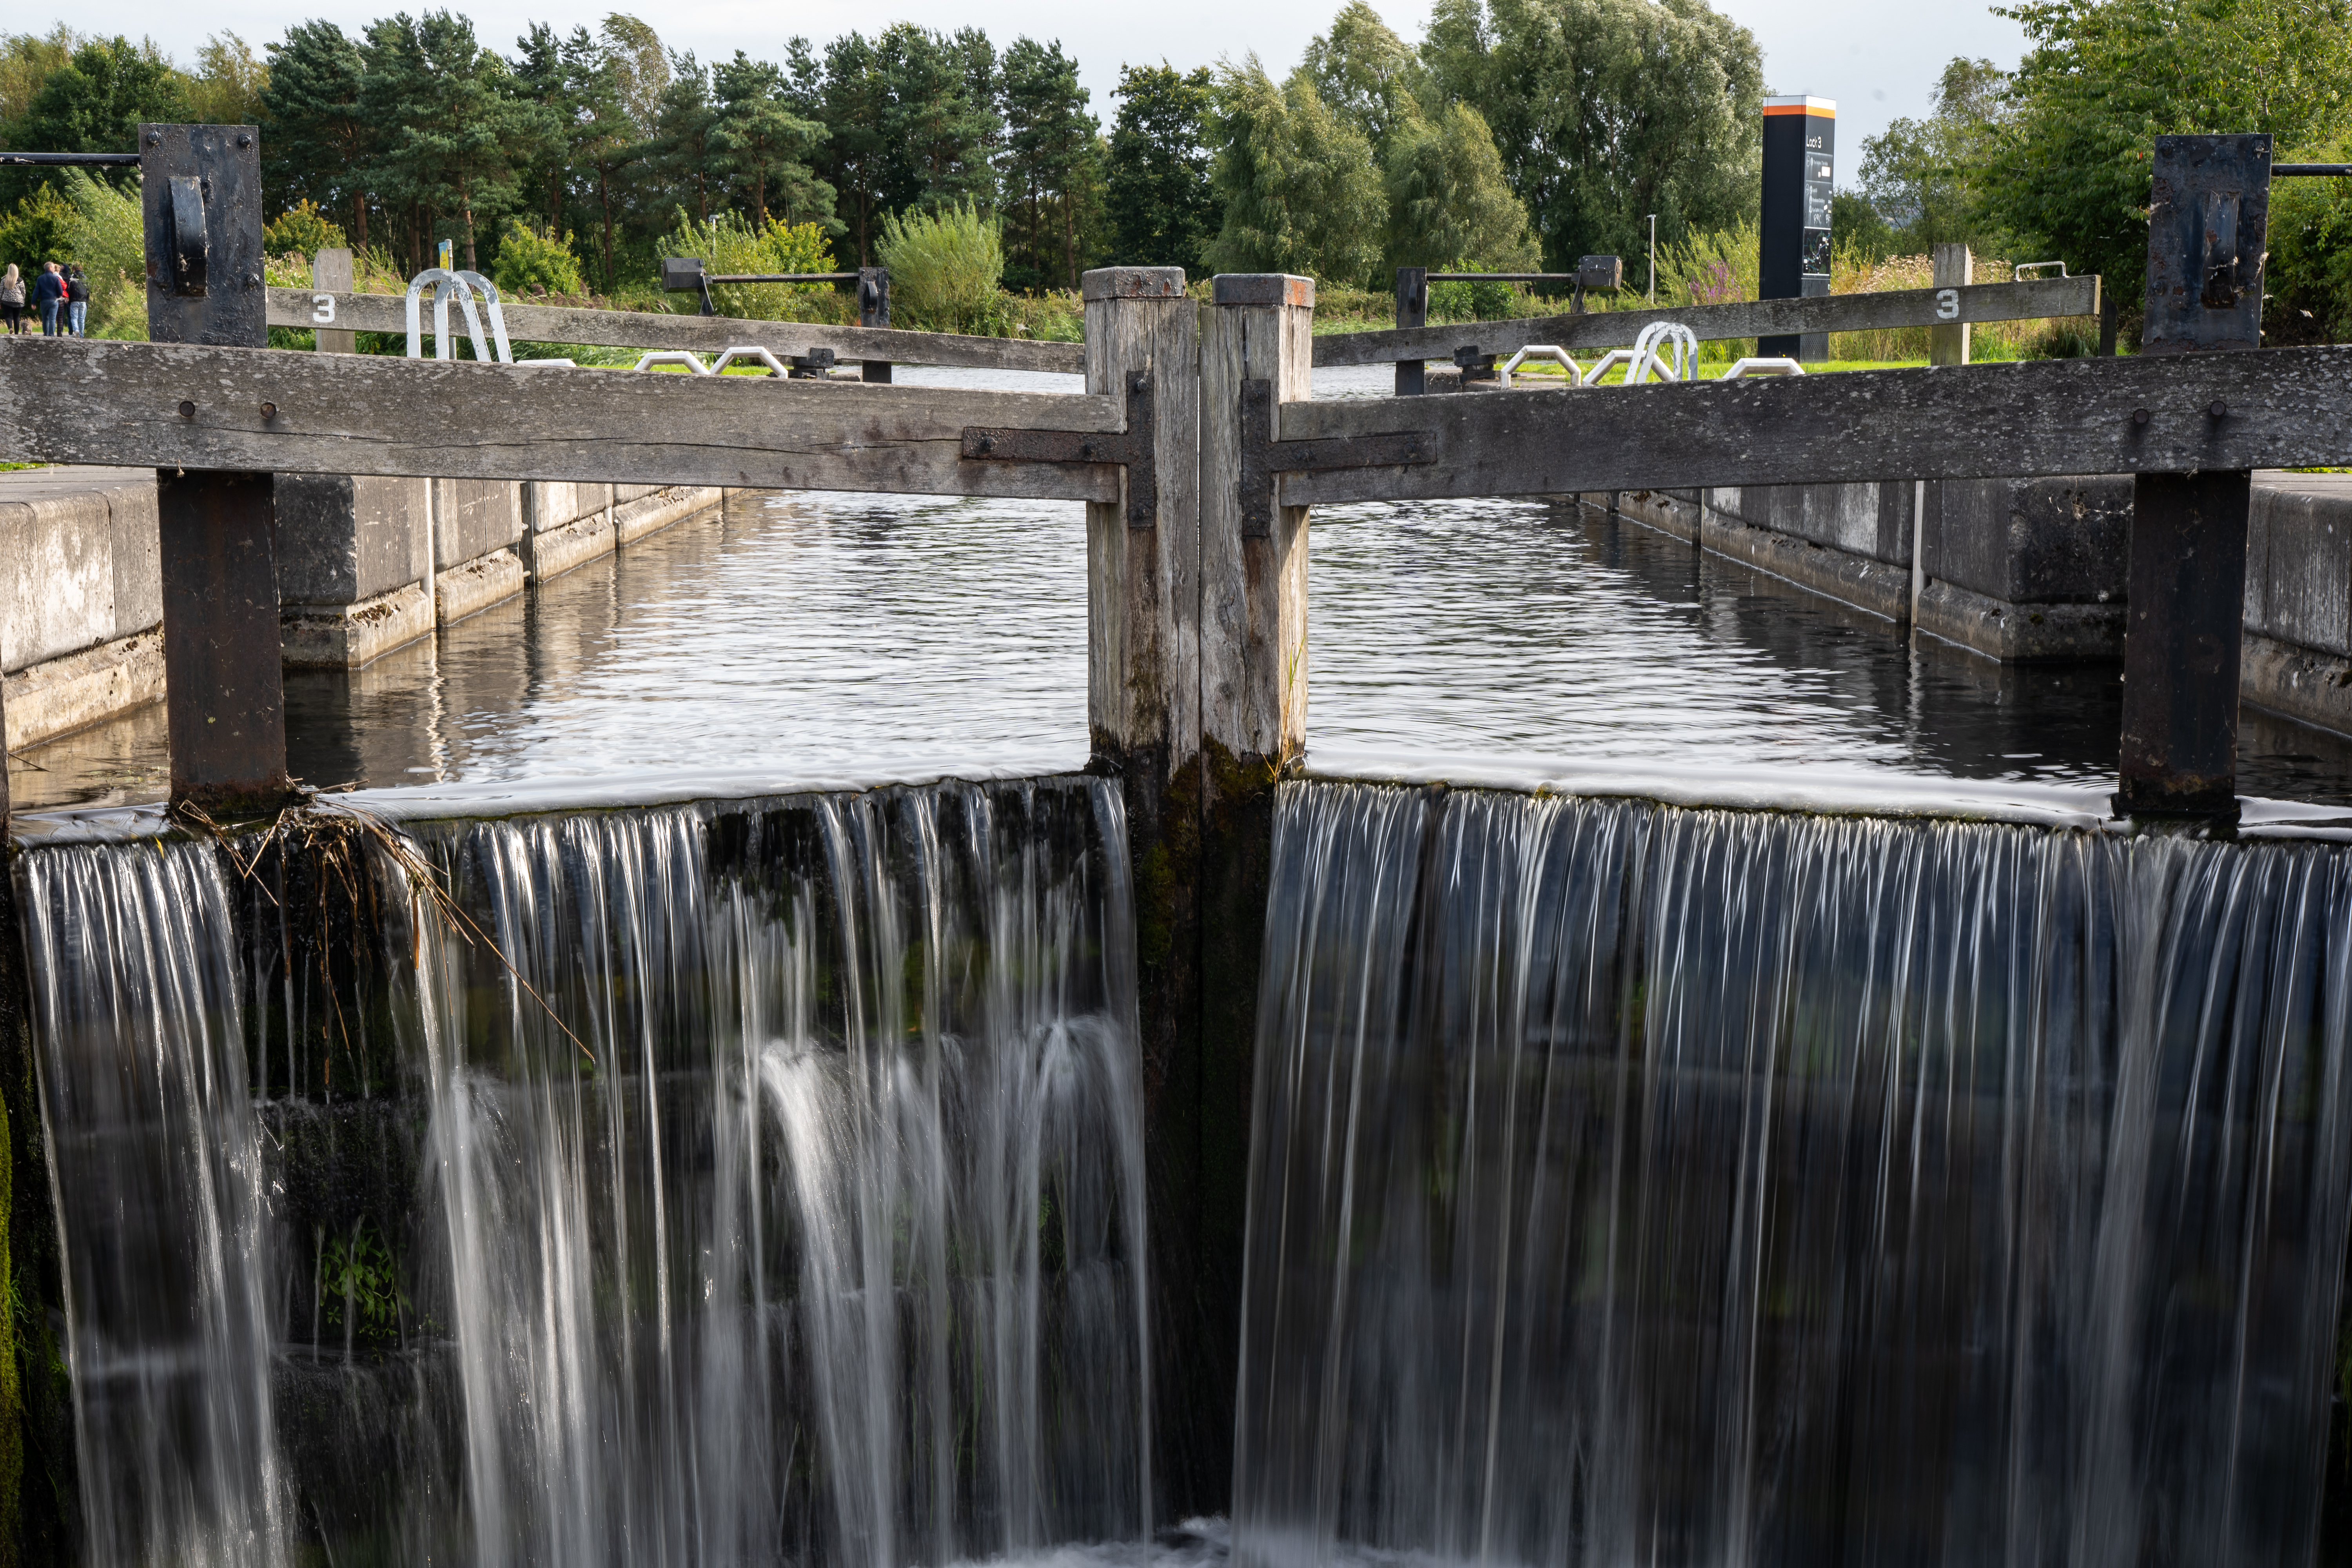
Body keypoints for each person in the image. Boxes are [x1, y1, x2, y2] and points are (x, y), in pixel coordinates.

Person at [32, 261, 63, 336]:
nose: (54, 269)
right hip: (54, 301)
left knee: (45, 319)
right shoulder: (56, 279)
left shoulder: (40, 279)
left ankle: (46, 334)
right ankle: (51, 335)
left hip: (44, 301)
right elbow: (60, 292)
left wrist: (33, 302)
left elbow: (36, 291)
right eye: (53, 268)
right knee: (52, 319)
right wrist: (59, 296)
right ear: (50, 268)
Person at [64, 265, 88, 336]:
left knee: (74, 318)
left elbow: (69, 290)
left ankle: (76, 330)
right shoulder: (86, 278)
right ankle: (81, 335)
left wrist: (70, 300)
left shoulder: (71, 278)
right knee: (82, 319)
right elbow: (88, 290)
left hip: (74, 300)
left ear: (74, 269)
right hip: (83, 300)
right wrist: (87, 301)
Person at [0, 264, 22, 335]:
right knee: (17, 317)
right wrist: (22, 299)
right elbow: (23, 291)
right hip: (18, 301)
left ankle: (10, 328)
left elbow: (1, 291)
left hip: (7, 301)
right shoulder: (20, 280)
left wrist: (0, 302)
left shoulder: (4, 280)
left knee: (8, 316)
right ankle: (17, 334)